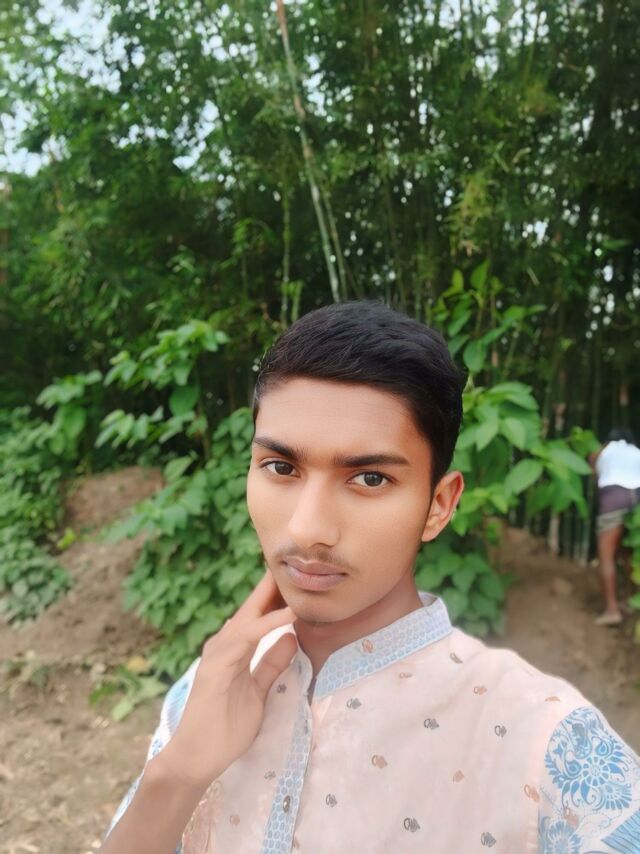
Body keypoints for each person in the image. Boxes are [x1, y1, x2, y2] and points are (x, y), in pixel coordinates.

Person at [101, 302, 640, 854]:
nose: (307, 528)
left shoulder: (547, 744)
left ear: (438, 505)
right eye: (281, 468)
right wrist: (177, 775)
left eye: (370, 478)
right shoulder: (205, 689)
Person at [590, 428, 640, 626]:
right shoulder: (637, 452)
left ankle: (612, 610)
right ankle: (630, 601)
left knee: (606, 556)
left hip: (614, 499)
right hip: (638, 501)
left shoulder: (601, 452)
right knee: (630, 554)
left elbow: (595, 475)